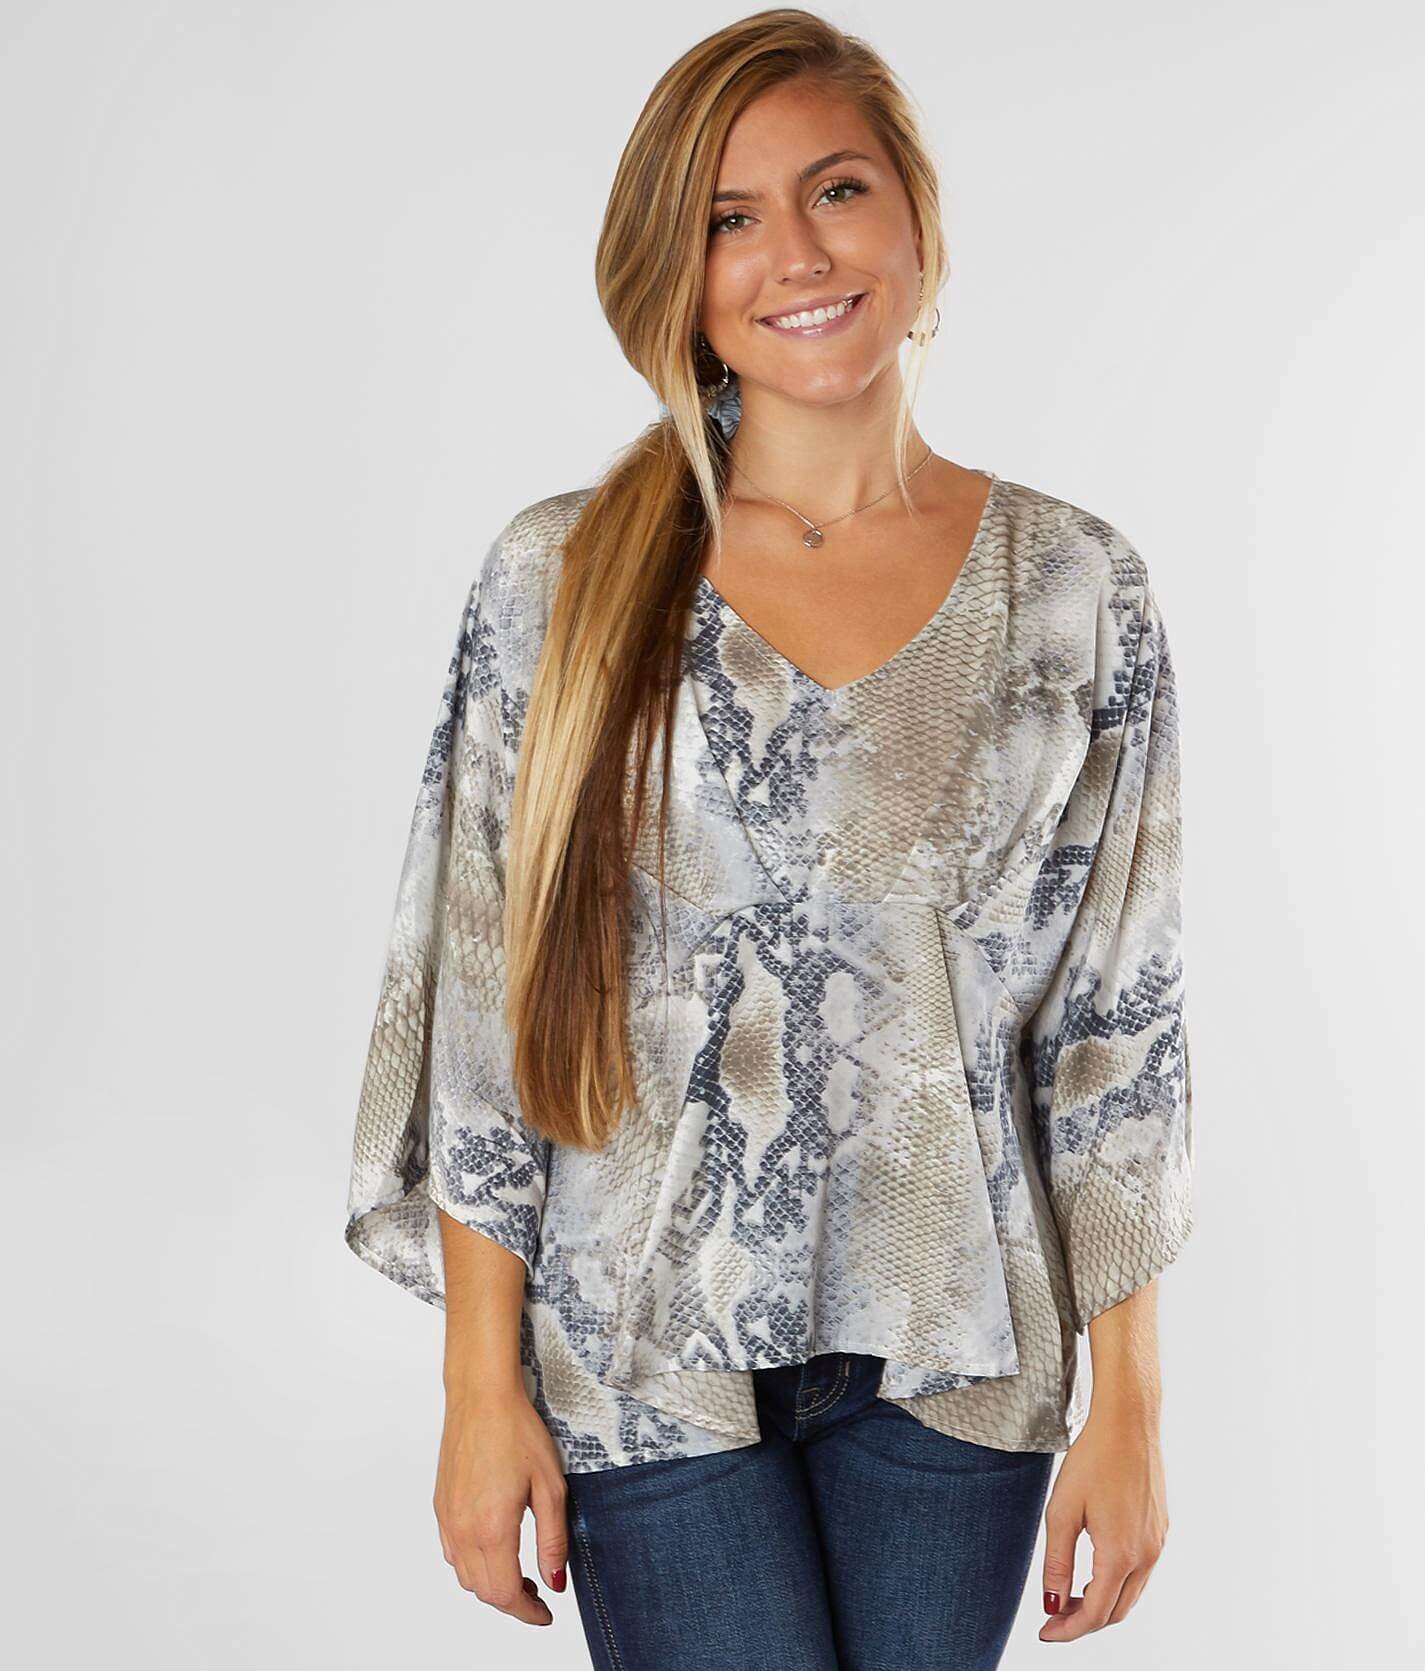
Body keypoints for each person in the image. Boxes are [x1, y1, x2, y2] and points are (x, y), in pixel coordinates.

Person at [343, 10, 1195, 1668]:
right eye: (729, 217)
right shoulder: (562, 579)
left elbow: (1119, 1027)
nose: (794, 254)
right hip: (636, 1345)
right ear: (675, 273)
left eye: (837, 190)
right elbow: (482, 1010)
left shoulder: (1075, 587)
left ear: (916, 222)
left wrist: (1132, 1405)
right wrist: (474, 1392)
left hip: (959, 1348)